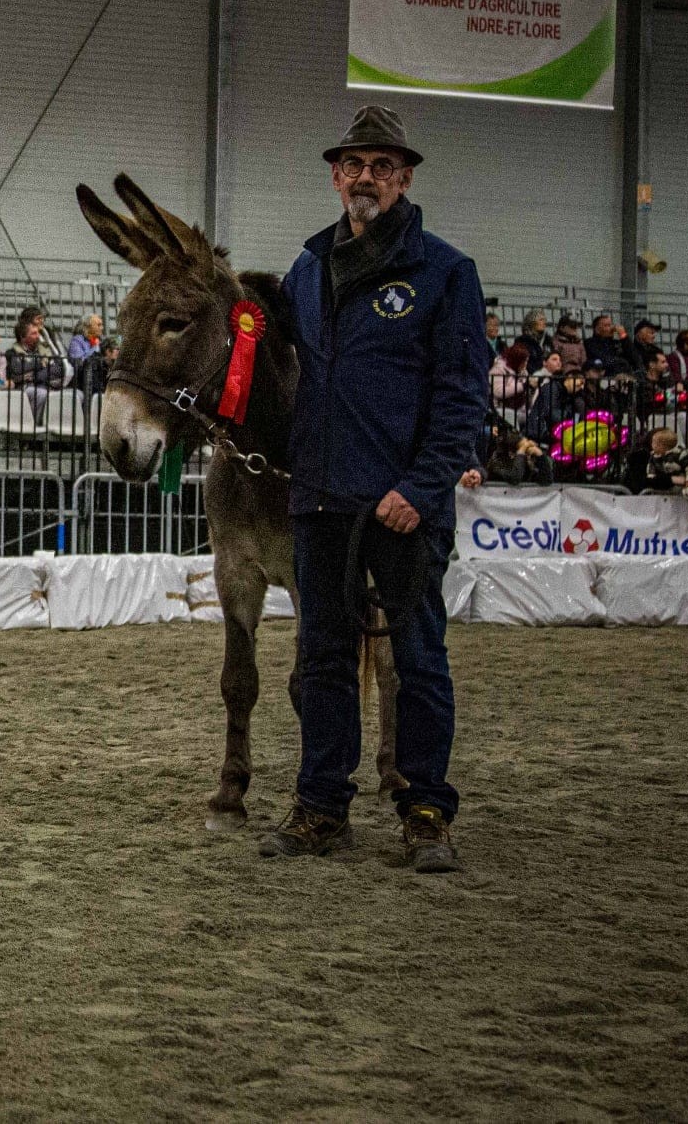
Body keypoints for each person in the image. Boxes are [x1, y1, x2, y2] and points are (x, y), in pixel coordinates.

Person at [263, 105, 486, 874]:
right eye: (354, 165)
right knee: (320, 660)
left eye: (381, 166)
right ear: (335, 174)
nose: (366, 177)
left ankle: (426, 811)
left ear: (405, 178)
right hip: (320, 500)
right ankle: (321, 806)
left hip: (399, 507)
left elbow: (462, 398)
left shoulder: (445, 272)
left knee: (419, 658)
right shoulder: (305, 268)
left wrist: (421, 489)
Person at [4, 308, 65, 415]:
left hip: (46, 385)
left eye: (38, 333)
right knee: (41, 393)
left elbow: (59, 368)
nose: (38, 336)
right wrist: (39, 364)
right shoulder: (12, 352)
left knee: (75, 394)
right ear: (23, 337)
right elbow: (17, 371)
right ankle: (35, 426)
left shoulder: (44, 349)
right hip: (26, 388)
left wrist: (38, 375)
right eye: (34, 333)